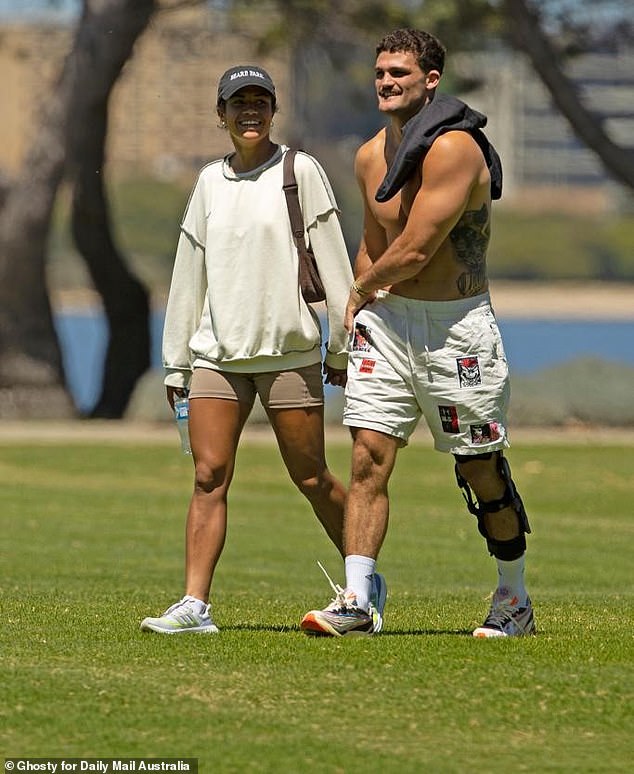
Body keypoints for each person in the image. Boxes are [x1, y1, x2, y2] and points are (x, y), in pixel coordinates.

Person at [300, 29, 534, 638]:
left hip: (456, 331)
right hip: (389, 322)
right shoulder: (369, 156)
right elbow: (374, 247)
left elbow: (416, 248)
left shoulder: (456, 150)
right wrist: (354, 316)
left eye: (399, 72)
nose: (385, 82)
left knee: (479, 466)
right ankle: (356, 599)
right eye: (379, 72)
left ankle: (514, 597)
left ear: (431, 79)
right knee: (367, 458)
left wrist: (357, 291)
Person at [141, 65, 386, 634]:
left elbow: (331, 261)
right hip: (217, 359)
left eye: (260, 102)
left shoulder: (301, 171)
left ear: (274, 111)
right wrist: (176, 360)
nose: (249, 112)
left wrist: (340, 347)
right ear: (220, 114)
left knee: (311, 477)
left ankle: (361, 584)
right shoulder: (208, 182)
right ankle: (194, 606)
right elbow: (189, 274)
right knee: (208, 476)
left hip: (289, 355)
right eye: (238, 103)